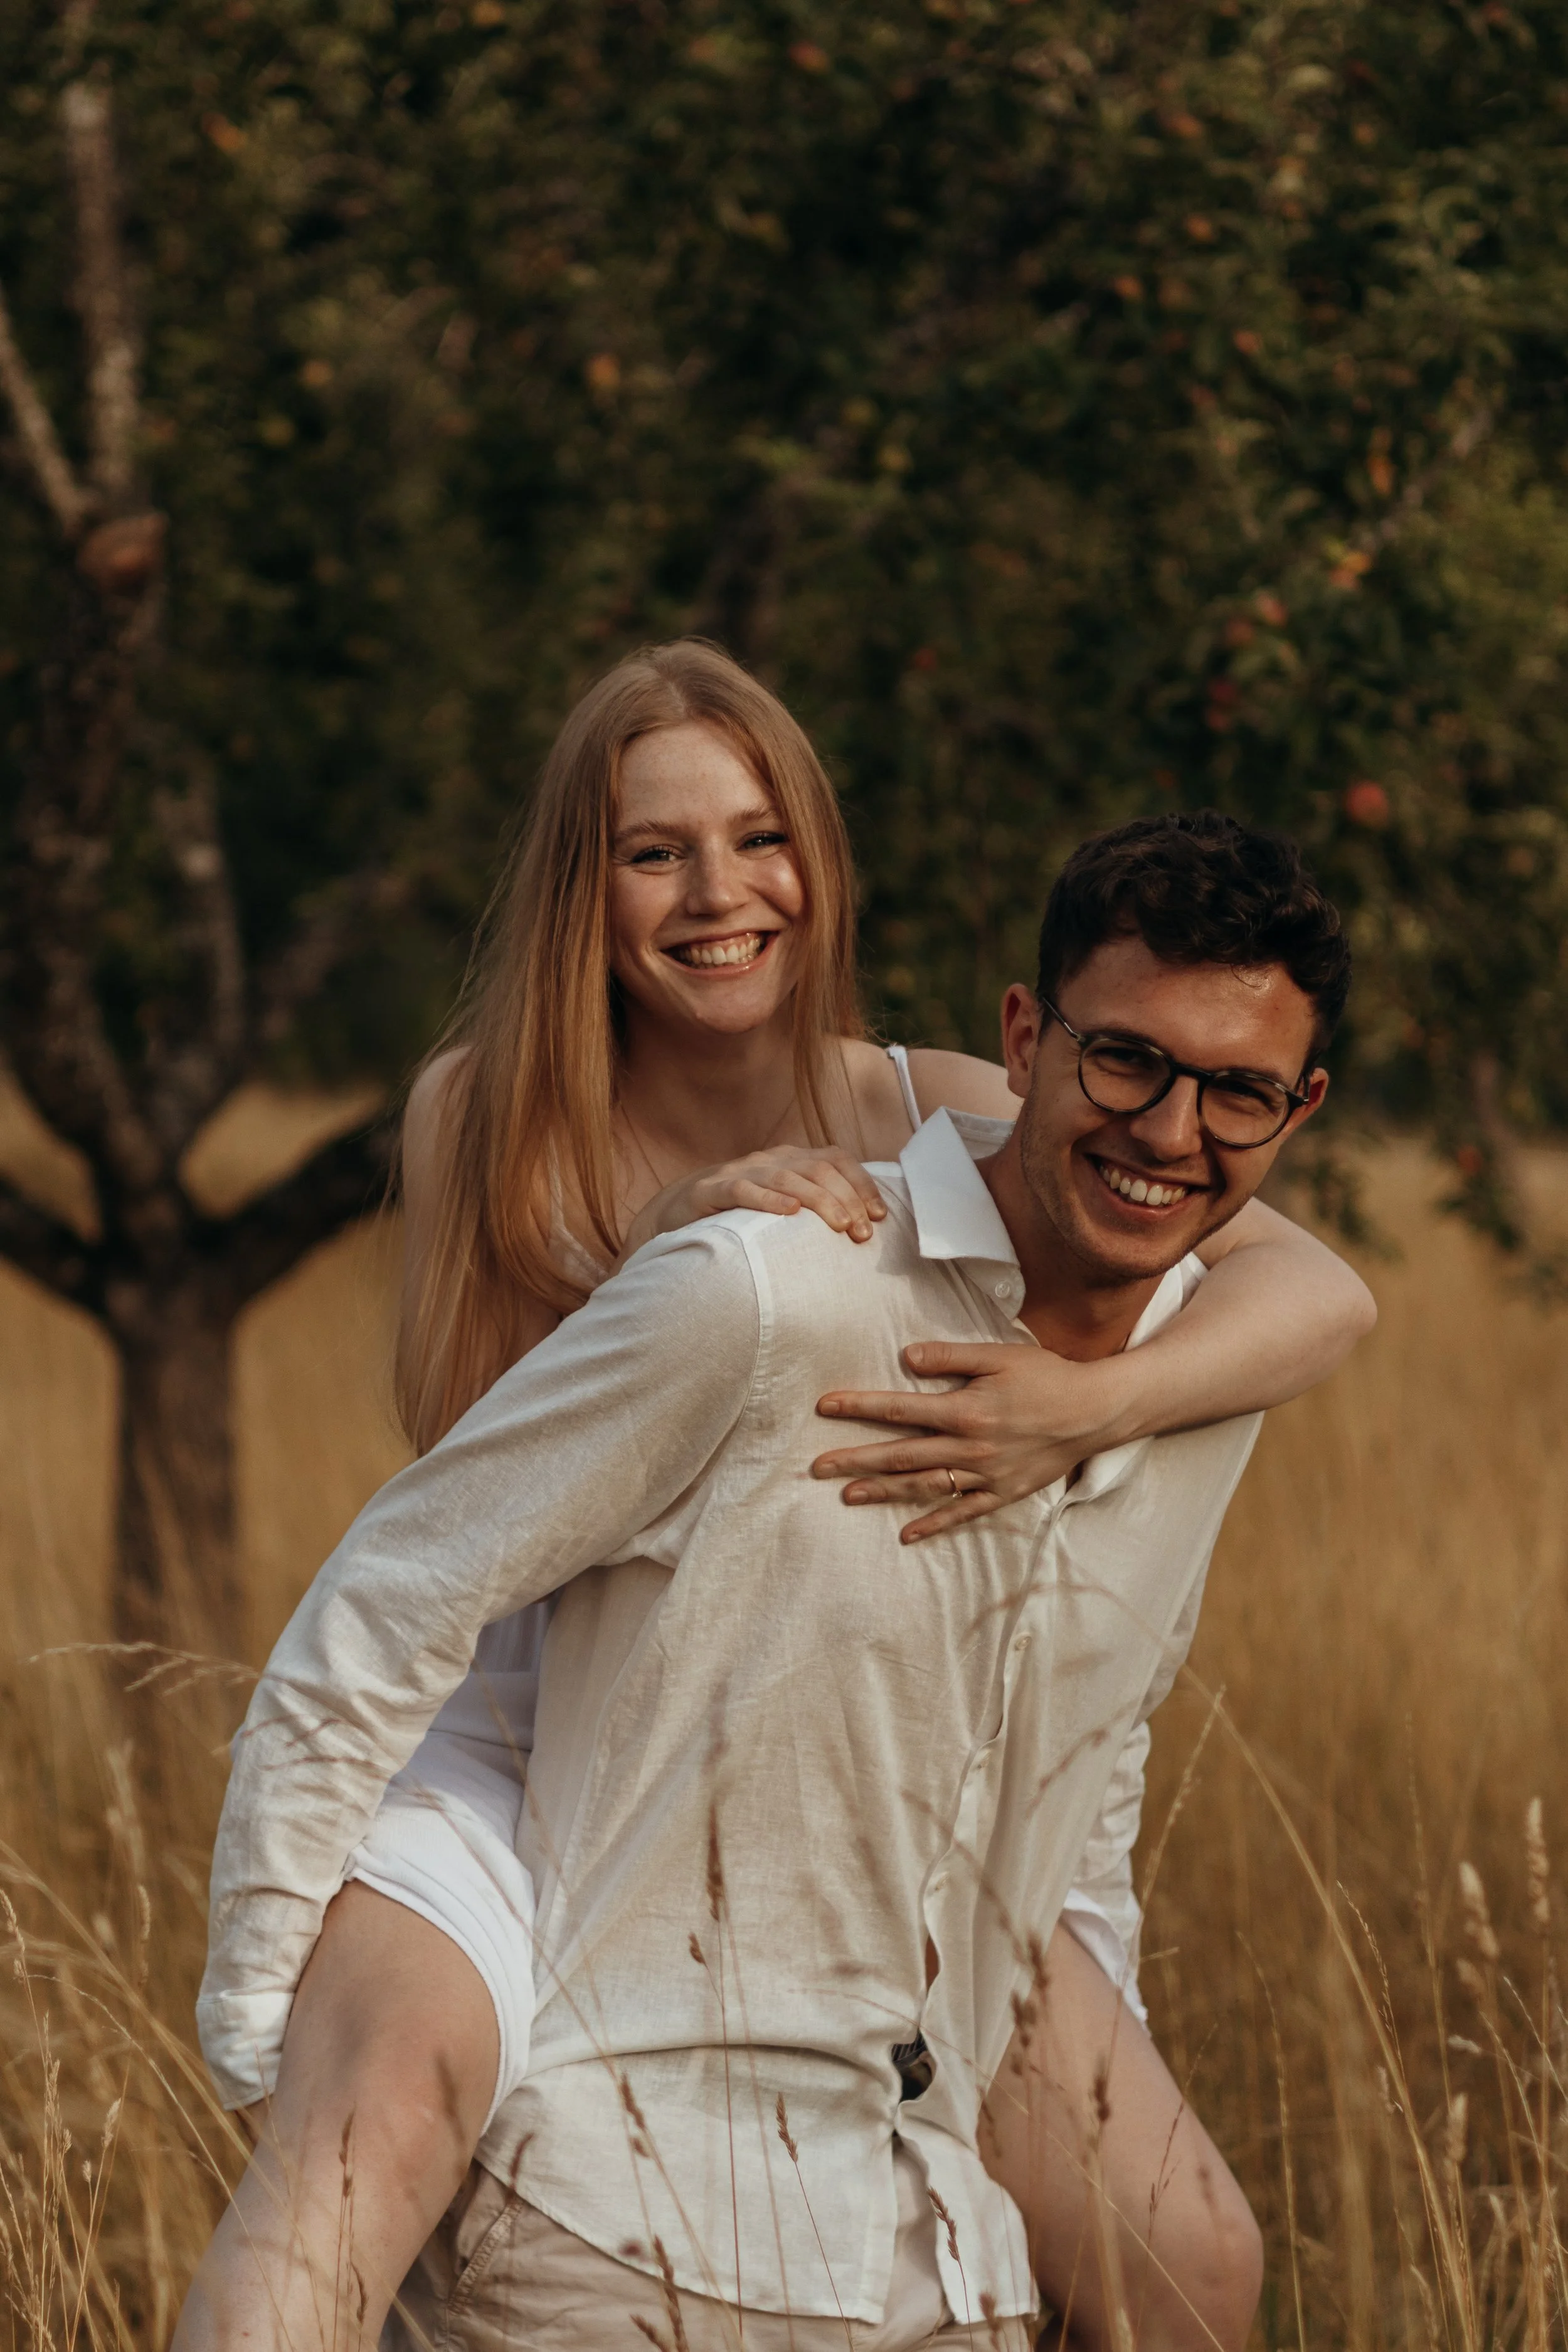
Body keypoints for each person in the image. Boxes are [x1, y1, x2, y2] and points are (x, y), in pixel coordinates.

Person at [182, 650, 1369, 2351]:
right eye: (651, 850)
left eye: (757, 838)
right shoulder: (489, 1112)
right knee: (358, 2130)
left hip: (814, 1728)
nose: (716, 891)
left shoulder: (936, 1093)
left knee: (1192, 2248)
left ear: (816, 858)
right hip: (530, 1718)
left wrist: (1076, 1409)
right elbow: (477, 1489)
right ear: (578, 890)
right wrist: (677, 1253)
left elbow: (1313, 1293)